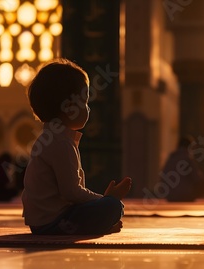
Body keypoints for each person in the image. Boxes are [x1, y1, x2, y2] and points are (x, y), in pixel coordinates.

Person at [22, 58, 131, 235]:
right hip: (53, 222)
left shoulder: (51, 138)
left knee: (107, 206)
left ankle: (97, 224)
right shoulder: (60, 143)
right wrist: (106, 199)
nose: (88, 109)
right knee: (113, 207)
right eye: (85, 102)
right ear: (69, 107)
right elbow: (71, 193)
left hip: (43, 221)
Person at [161, 135, 204, 202]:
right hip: (184, 195)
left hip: (169, 196)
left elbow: (162, 176)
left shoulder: (171, 159)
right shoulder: (187, 159)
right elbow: (197, 178)